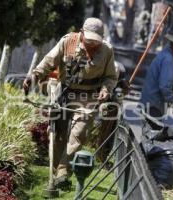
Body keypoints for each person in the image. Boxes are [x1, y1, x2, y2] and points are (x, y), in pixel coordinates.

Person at [23, 17, 119, 190]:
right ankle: (57, 176)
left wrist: (106, 89)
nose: (92, 45)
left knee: (80, 132)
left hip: (88, 97)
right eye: (89, 40)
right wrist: (34, 76)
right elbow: (48, 61)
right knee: (58, 134)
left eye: (96, 42)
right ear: (82, 33)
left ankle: (63, 171)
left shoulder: (107, 51)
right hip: (64, 92)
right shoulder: (67, 42)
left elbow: (111, 77)